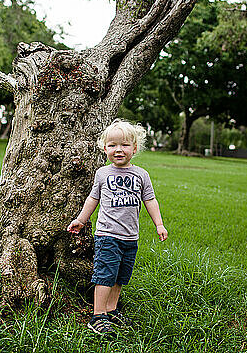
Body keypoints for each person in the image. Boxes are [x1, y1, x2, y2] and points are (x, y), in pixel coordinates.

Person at [67, 119, 168, 337]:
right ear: (105, 149)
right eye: (112, 145)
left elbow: (150, 201)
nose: (118, 150)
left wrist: (159, 224)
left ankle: (111, 310)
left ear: (134, 148)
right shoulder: (103, 173)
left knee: (121, 276)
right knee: (105, 275)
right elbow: (92, 199)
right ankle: (98, 316)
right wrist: (81, 220)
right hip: (107, 235)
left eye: (124, 145)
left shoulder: (141, 175)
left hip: (131, 237)